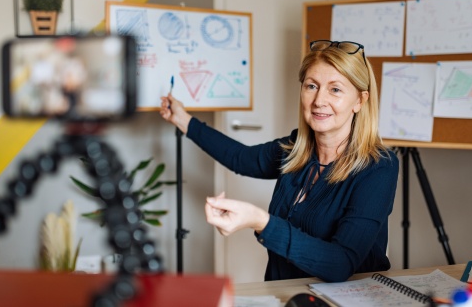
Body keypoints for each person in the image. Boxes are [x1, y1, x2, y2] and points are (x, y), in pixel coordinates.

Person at [159, 40, 399, 283]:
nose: (319, 100)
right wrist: (183, 120)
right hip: (287, 294)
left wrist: (260, 221)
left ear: (360, 100)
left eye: (335, 89)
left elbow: (340, 263)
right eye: (312, 86)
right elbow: (241, 159)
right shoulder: (295, 149)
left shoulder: (378, 166)